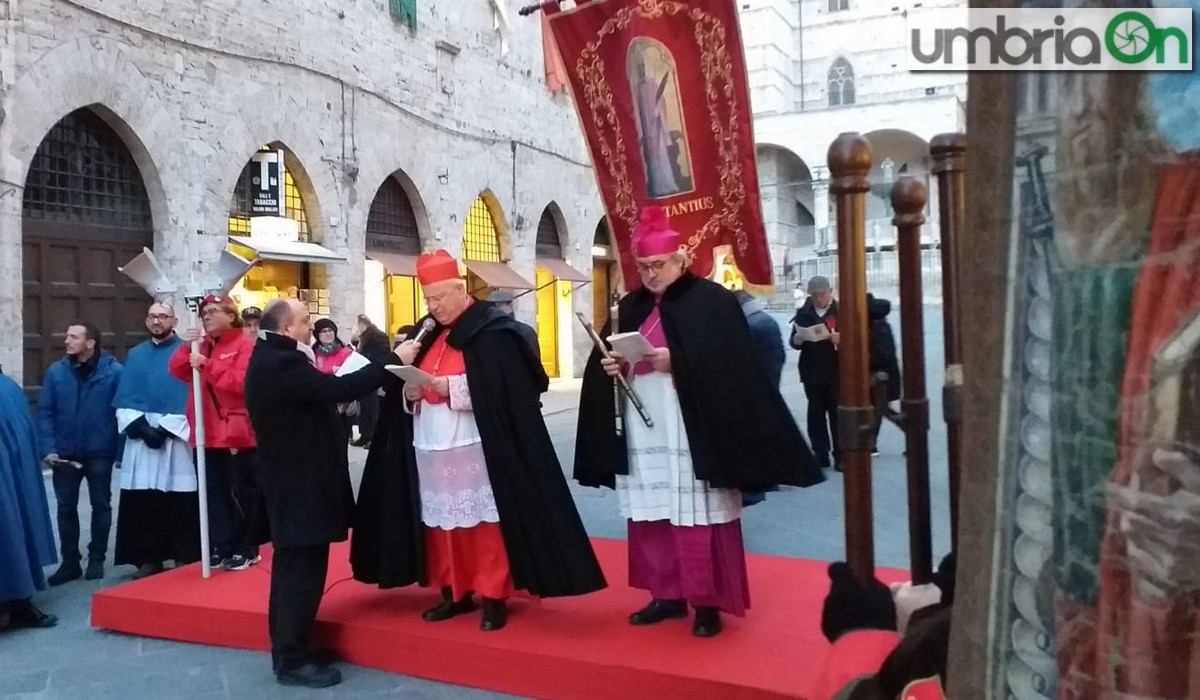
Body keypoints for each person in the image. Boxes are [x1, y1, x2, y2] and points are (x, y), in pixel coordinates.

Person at [574, 207, 824, 637]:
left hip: (691, 425)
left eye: (658, 265)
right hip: (642, 425)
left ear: (680, 261)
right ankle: (665, 594)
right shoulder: (629, 306)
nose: (651, 274)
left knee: (697, 516)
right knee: (653, 514)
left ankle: (706, 602)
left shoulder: (712, 302)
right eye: (644, 267)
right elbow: (606, 361)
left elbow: (733, 366)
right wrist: (611, 366)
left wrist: (679, 362)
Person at [351, 249, 606, 631]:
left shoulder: (491, 328)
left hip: (476, 443)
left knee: (482, 523)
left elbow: (507, 388)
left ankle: (492, 595)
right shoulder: (428, 331)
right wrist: (411, 394)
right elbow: (411, 380)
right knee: (441, 523)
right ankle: (453, 590)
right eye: (428, 299)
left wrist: (447, 387)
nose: (434, 307)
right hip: (430, 444)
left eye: (439, 298)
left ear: (460, 288)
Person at [245, 298, 393, 688]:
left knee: (294, 569)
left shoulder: (274, 356)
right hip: (299, 484)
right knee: (301, 573)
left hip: (293, 481)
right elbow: (336, 388)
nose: (310, 327)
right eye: (304, 321)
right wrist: (388, 364)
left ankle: (295, 645)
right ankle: (292, 659)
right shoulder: (282, 363)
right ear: (285, 329)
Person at [168, 295, 262, 571]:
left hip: (233, 433)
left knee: (239, 494)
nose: (205, 316)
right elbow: (176, 370)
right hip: (205, 432)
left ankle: (246, 547)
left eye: (212, 311)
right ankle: (222, 544)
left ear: (231, 315)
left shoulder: (245, 345)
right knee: (213, 495)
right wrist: (188, 347)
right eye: (203, 312)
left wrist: (208, 365)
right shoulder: (203, 345)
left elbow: (243, 383)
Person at [113, 303, 200, 579]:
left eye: (163, 316)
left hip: (175, 439)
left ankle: (182, 553)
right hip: (141, 438)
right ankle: (148, 558)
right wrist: (141, 429)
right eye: (152, 316)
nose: (157, 321)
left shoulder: (187, 352)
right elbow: (125, 396)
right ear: (146, 320)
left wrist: (164, 430)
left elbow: (190, 394)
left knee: (179, 497)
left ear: (174, 321)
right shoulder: (136, 355)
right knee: (144, 499)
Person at [37, 321, 123, 585]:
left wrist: (120, 452)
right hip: (65, 452)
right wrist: (48, 448)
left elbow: (122, 411)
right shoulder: (57, 372)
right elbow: (46, 412)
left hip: (100, 451)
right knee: (65, 507)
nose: (66, 341)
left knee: (101, 504)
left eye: (73, 337)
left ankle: (96, 558)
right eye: (67, 336)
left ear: (90, 343)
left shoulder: (114, 372)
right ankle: (70, 562)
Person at [0, 365, 58, 631]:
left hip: (11, 480)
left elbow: (22, 437)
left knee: (13, 528)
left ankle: (21, 602)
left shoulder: (8, 391)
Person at [791, 275, 841, 471]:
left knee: (837, 413)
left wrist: (841, 339)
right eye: (815, 296)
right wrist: (798, 339)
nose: (819, 299)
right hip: (812, 371)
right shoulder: (804, 312)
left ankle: (840, 454)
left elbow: (859, 338)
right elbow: (793, 341)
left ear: (830, 291)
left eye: (822, 294)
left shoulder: (841, 312)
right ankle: (820, 453)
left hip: (835, 371)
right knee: (815, 414)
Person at [349, 314, 391, 448]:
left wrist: (365, 358)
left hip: (374, 374)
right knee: (363, 408)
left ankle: (372, 436)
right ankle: (365, 434)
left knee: (372, 408)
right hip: (364, 372)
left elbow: (382, 355)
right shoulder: (363, 337)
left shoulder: (378, 336)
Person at [313, 318, 356, 444]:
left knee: (340, 444)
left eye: (330, 330)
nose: (327, 333)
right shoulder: (312, 353)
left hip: (342, 405)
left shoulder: (346, 353)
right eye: (323, 331)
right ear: (317, 335)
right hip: (321, 405)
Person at [867, 293, 901, 454]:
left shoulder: (878, 328)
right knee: (881, 409)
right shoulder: (880, 325)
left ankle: (871, 444)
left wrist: (863, 360)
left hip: (882, 377)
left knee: (880, 409)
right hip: (884, 375)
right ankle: (871, 444)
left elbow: (882, 355)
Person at [486, 290, 540, 359]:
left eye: (498, 305)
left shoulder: (525, 331)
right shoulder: (488, 333)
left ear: (510, 306)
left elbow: (534, 359)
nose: (494, 310)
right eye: (491, 306)